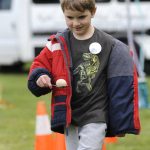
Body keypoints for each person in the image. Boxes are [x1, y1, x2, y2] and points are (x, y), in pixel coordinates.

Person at [28, 0, 141, 150]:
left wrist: (122, 121)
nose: (75, 23)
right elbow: (39, 65)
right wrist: (40, 77)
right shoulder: (57, 43)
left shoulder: (110, 45)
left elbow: (121, 86)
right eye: (70, 17)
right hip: (70, 114)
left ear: (93, 12)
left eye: (81, 17)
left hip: (96, 114)